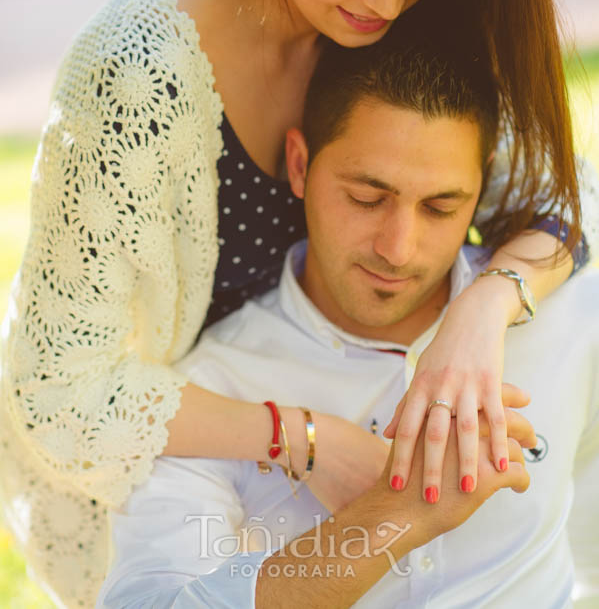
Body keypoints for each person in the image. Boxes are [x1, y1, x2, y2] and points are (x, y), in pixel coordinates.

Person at [1, 0, 598, 608]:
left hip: (359, 405)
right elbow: (55, 393)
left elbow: (554, 198)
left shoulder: (413, 19)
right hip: (195, 476)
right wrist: (304, 436)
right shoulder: (138, 69)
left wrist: (480, 310)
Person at [96, 33, 599, 608]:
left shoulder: (571, 317)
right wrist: (393, 517)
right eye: (367, 197)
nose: (398, 248)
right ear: (300, 165)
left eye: (440, 207)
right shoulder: (214, 391)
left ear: (484, 183)